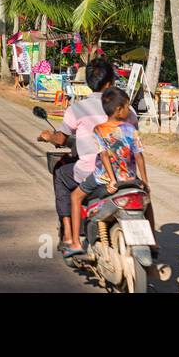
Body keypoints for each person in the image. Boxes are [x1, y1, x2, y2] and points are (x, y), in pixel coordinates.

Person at [36, 59, 123, 251]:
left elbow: (61, 139)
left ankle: (69, 236)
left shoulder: (78, 109)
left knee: (60, 172)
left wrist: (48, 136)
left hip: (96, 173)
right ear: (110, 82)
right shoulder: (125, 107)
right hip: (126, 172)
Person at [65, 87, 154, 256]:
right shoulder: (131, 129)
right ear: (119, 109)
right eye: (128, 106)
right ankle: (153, 241)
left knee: (75, 196)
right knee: (146, 200)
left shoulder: (99, 129)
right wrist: (145, 181)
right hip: (130, 178)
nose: (129, 110)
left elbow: (103, 156)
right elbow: (139, 156)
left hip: (103, 178)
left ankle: (76, 242)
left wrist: (112, 180)